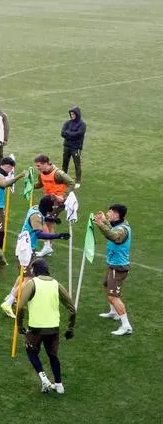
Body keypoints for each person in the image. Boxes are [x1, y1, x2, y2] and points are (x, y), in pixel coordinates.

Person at [0, 195, 71, 317]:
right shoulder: (36, 217)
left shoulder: (35, 208)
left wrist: (51, 219)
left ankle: (11, 295)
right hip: (27, 249)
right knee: (28, 278)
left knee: (23, 275)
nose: (52, 209)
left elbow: (41, 216)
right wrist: (58, 236)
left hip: (23, 245)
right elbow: (39, 234)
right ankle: (8, 302)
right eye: (51, 207)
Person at [16, 259, 76, 394]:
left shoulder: (32, 283)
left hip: (36, 328)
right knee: (53, 356)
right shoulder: (56, 284)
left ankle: (44, 380)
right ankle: (59, 385)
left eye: (32, 269)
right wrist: (70, 328)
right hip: (53, 328)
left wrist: (19, 325)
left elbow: (20, 307)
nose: (31, 271)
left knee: (31, 352)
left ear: (36, 269)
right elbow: (72, 309)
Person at [95, 204, 133, 336]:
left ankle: (126, 326)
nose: (108, 213)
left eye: (110, 212)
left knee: (113, 296)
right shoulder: (119, 225)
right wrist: (104, 221)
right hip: (113, 264)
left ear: (117, 214)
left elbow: (115, 237)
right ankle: (114, 312)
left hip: (119, 267)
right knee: (106, 285)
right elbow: (111, 229)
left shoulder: (122, 230)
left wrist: (101, 224)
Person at [33, 154, 75, 257]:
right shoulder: (42, 173)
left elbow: (71, 183)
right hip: (48, 201)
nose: (37, 168)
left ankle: (47, 246)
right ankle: (49, 247)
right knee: (48, 223)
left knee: (44, 221)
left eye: (38, 165)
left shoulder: (58, 174)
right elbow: (40, 184)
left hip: (58, 202)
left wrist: (63, 196)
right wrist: (31, 185)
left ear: (45, 164)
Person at [61, 106, 86, 188]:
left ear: (77, 114)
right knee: (65, 163)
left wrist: (69, 133)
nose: (72, 116)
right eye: (71, 114)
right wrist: (72, 134)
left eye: (74, 114)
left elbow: (79, 134)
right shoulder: (67, 123)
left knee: (77, 164)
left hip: (76, 147)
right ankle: (63, 178)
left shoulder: (82, 124)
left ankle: (78, 180)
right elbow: (63, 133)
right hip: (67, 146)